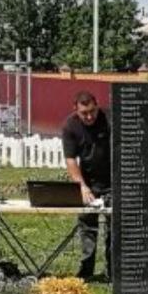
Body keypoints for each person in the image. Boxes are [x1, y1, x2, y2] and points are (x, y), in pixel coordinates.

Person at [63, 91, 111, 282]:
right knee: (87, 226)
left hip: (112, 180)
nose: (89, 117)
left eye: (92, 111)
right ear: (76, 110)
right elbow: (70, 160)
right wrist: (82, 186)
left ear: (97, 106)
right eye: (84, 113)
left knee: (114, 227)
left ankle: (113, 271)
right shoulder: (70, 126)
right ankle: (86, 270)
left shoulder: (110, 119)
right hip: (88, 181)